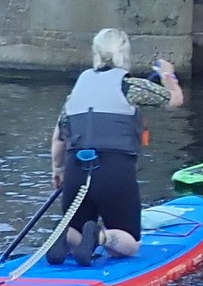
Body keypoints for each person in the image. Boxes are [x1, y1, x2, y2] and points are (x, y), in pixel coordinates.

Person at [48, 28, 183, 266]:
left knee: (77, 231)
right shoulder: (129, 86)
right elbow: (175, 100)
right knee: (128, 244)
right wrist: (168, 75)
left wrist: (58, 171)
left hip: (76, 171)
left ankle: (67, 236)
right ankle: (100, 236)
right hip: (114, 172)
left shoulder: (76, 92)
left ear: (96, 53)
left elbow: (59, 137)